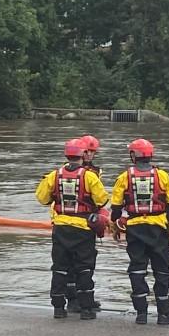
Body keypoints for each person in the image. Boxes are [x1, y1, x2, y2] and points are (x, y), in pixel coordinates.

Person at [36, 138, 110, 320]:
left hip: (61, 228)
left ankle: (59, 309)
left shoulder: (54, 175)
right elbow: (102, 200)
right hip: (83, 228)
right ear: (82, 154)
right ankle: (86, 309)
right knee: (84, 268)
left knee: (60, 268)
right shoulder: (89, 176)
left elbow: (42, 198)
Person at [110, 138, 169, 324]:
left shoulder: (124, 177)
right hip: (158, 229)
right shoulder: (162, 176)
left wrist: (114, 226)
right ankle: (164, 314)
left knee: (137, 269)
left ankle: (141, 314)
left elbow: (116, 207)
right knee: (162, 271)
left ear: (134, 155)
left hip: (134, 229)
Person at [66, 134, 104, 313]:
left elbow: (99, 199)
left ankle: (86, 298)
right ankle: (73, 300)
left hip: (88, 223)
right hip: (71, 222)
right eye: (87, 152)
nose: (89, 155)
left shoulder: (94, 172)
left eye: (92, 152)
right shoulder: (67, 171)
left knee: (86, 263)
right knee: (70, 264)